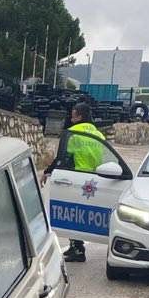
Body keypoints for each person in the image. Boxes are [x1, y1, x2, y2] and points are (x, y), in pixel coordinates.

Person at [48, 101, 110, 262]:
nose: (71, 118)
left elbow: (63, 156)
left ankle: (77, 249)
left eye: (73, 115)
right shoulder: (98, 134)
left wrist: (49, 171)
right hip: (95, 179)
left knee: (72, 214)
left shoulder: (73, 133)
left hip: (77, 176)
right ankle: (75, 246)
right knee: (84, 215)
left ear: (80, 116)